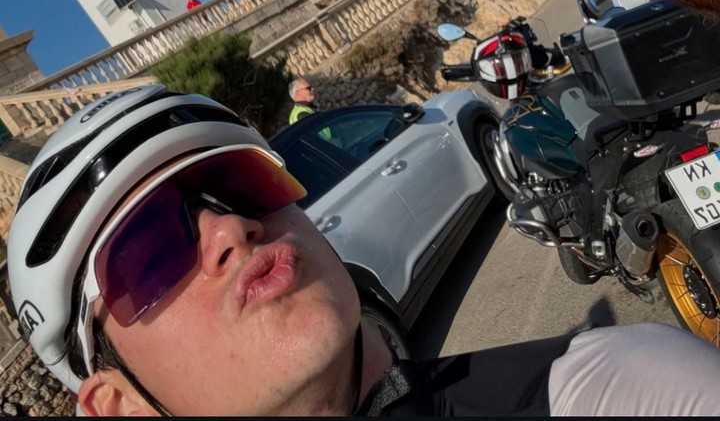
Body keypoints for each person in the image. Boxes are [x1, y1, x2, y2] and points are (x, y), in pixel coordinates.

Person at [8, 86, 720, 417]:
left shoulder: (610, 390)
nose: (229, 231)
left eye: (243, 183)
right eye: (147, 250)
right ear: (119, 407)